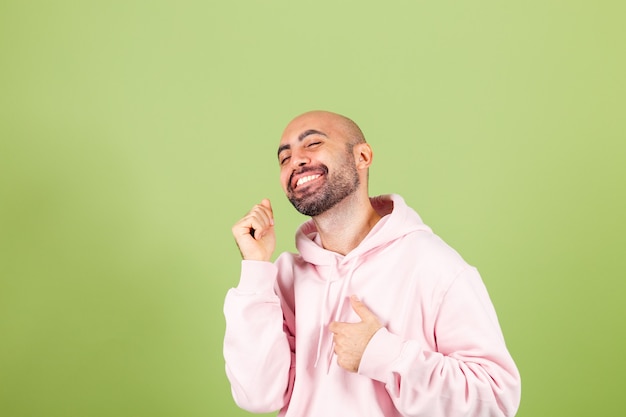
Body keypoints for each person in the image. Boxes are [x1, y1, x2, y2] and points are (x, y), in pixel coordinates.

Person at [223, 110, 521, 417]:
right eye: (284, 158)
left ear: (362, 156)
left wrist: (384, 355)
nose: (295, 161)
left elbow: (496, 401)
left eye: (312, 143)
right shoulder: (285, 278)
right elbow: (258, 397)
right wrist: (256, 268)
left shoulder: (434, 265)